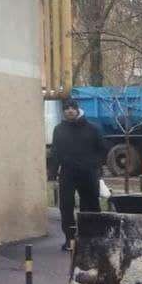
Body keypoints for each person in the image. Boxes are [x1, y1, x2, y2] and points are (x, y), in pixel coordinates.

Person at [52, 99, 106, 251]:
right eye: (66, 108)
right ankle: (69, 238)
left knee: (90, 205)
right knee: (66, 206)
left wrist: (95, 165)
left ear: (77, 109)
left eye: (72, 108)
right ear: (63, 111)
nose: (69, 110)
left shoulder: (92, 129)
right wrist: (53, 171)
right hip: (67, 173)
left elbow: (102, 149)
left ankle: (91, 237)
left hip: (88, 173)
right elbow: (55, 152)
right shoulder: (59, 130)